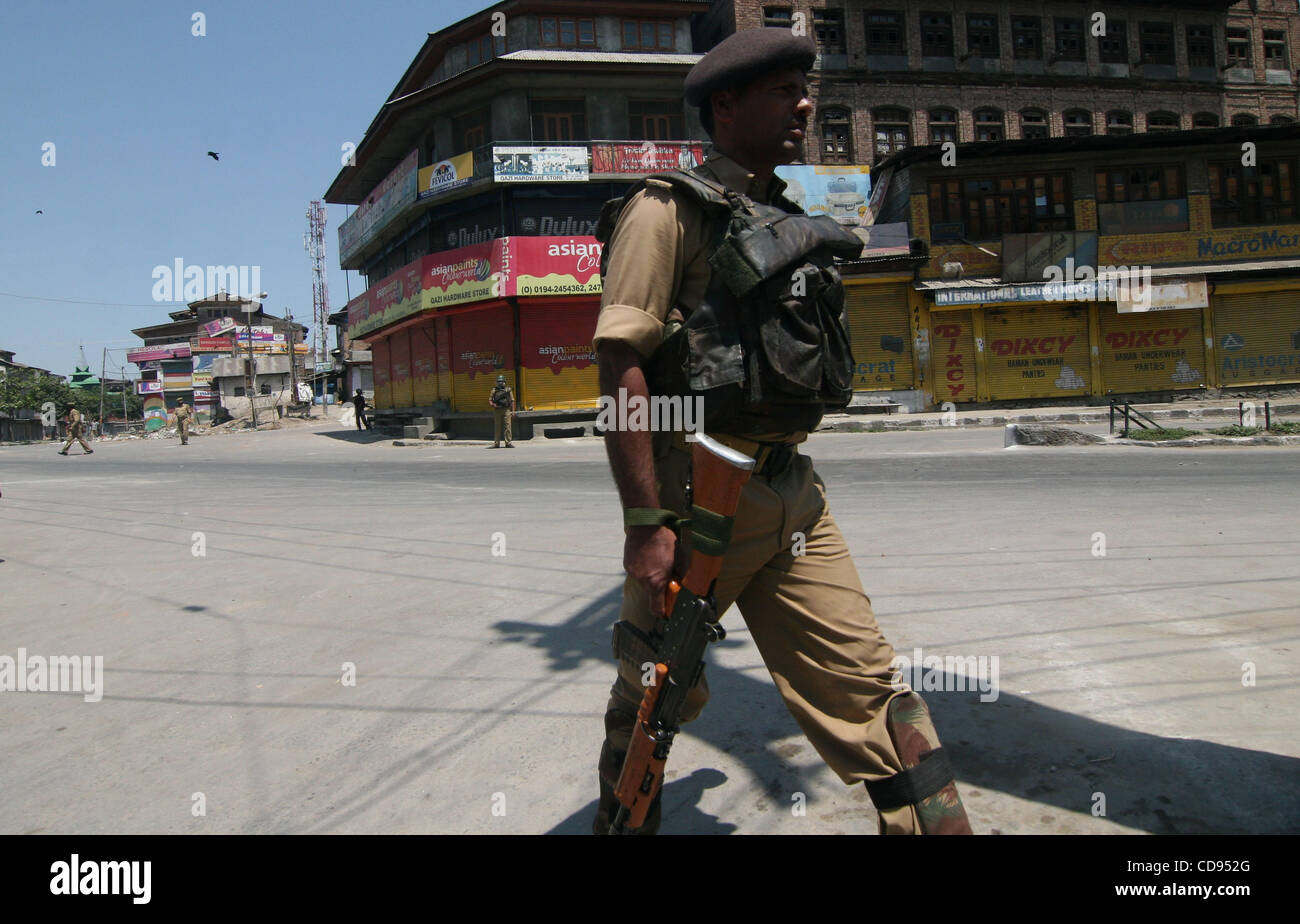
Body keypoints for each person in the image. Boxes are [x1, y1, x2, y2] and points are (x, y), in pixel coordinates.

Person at [588, 28, 972, 835]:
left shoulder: (784, 217)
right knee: (655, 695)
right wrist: (644, 526)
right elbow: (621, 365)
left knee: (872, 693)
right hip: (696, 504)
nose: (804, 103)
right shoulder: (665, 211)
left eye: (806, 87)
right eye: (782, 90)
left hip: (790, 491)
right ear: (724, 106)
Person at [488, 374, 515, 448]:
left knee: (508, 426)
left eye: (502, 381)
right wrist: (493, 405)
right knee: (497, 427)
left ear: (504, 382)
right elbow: (490, 400)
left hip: (506, 410)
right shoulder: (494, 390)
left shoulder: (508, 389)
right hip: (497, 410)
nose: (500, 383)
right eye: (499, 381)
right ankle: (496, 443)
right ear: (497, 382)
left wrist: (513, 411)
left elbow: (512, 401)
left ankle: (508, 443)